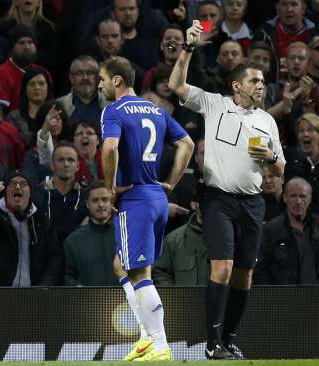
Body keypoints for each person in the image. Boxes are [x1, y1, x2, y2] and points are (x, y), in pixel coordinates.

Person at [168, 21, 285, 360]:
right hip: (219, 199)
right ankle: (212, 342)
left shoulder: (267, 121)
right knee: (221, 267)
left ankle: (231, 338)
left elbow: (281, 169)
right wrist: (189, 49)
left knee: (244, 274)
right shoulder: (215, 104)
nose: (261, 86)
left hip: (253, 202)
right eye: (254, 81)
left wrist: (271, 156)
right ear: (236, 85)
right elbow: (176, 85)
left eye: (263, 81)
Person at [99, 56, 195, 361]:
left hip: (135, 199)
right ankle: (144, 336)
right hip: (157, 197)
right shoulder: (156, 110)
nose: (100, 84)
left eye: (102, 78)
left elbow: (110, 148)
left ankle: (159, 341)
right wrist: (171, 182)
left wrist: (111, 188)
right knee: (122, 264)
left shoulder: (113, 110)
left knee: (139, 273)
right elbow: (188, 145)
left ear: (116, 80)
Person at [0, 170, 62, 286]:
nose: (18, 186)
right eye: (12, 183)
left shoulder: (41, 222)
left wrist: (45, 284)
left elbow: (54, 258)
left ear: (30, 192)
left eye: (23, 184)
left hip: (33, 296)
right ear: (5, 191)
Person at [255, 177, 319, 285]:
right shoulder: (271, 229)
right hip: (284, 297)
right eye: (293, 196)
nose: (298, 201)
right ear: (285, 198)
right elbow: (261, 267)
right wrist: (271, 296)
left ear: (310, 199)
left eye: (302, 196)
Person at [62, 180, 117, 286]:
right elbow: (68, 276)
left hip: (124, 300)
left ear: (111, 202)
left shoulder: (127, 236)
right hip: (89, 301)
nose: (100, 204)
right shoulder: (73, 241)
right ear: (87, 204)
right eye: (95, 200)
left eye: (105, 199)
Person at [57, 56, 109, 126]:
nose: (85, 78)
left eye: (90, 73)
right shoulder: (59, 105)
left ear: (98, 77)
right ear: (71, 78)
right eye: (79, 73)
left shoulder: (112, 105)